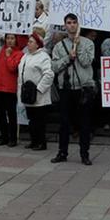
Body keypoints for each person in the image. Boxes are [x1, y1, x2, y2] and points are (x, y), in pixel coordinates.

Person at [50, 13, 96, 166]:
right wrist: (67, 58)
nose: (71, 25)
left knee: (84, 123)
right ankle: (62, 152)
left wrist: (79, 47)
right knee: (64, 122)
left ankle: (84, 154)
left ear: (78, 24)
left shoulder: (88, 43)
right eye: (68, 23)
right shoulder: (58, 46)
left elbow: (87, 61)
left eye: (74, 22)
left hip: (83, 88)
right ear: (65, 25)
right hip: (66, 88)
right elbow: (54, 67)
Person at [18, 30, 54, 150]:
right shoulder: (25, 56)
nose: (28, 44)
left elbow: (49, 75)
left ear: (37, 44)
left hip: (39, 96)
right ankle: (33, 141)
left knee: (39, 121)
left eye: (31, 42)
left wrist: (39, 89)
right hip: (27, 94)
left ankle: (41, 142)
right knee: (31, 120)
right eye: (28, 41)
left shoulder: (43, 57)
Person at [0, 33, 24, 147]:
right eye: (8, 38)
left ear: (16, 40)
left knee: (11, 114)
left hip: (10, 88)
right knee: (0, 114)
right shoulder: (1, 51)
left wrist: (8, 56)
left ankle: (13, 138)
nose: (9, 41)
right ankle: (3, 136)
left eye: (12, 38)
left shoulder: (19, 53)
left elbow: (13, 68)